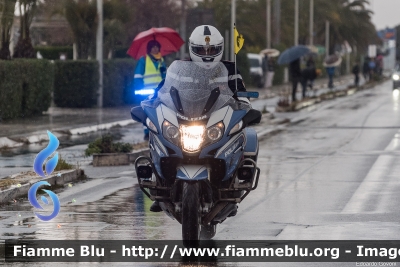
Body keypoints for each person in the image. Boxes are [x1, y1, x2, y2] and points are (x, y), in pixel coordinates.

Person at [149, 25, 249, 213]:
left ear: (220, 48)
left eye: (211, 49)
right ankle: (159, 185)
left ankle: (231, 184)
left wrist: (244, 105)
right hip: (184, 116)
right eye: (201, 50)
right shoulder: (179, 68)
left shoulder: (229, 68)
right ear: (192, 48)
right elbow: (162, 91)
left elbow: (242, 96)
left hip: (214, 119)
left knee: (240, 136)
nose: (207, 54)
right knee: (157, 134)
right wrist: (152, 102)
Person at [133, 40, 167, 140]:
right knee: (146, 111)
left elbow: (166, 77)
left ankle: (159, 131)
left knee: (160, 112)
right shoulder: (143, 60)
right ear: (149, 49)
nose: (155, 48)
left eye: (157, 46)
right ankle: (147, 132)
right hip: (146, 91)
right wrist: (138, 89)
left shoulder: (161, 60)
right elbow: (138, 76)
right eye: (153, 47)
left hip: (160, 92)